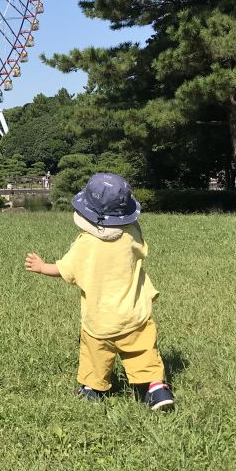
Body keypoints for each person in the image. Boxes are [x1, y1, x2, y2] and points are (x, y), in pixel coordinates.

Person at [24, 173, 174, 411]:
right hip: (134, 315)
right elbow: (139, 246)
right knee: (144, 352)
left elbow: (66, 269)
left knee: (95, 355)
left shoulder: (86, 243)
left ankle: (93, 389)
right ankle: (156, 388)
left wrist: (42, 267)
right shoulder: (131, 234)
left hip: (99, 318)